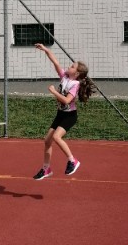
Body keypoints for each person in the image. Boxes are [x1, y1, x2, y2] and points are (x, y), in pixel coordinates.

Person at [33, 43, 94, 180]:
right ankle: (46, 168)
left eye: (72, 66)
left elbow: (67, 101)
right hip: (61, 114)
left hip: (70, 116)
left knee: (56, 137)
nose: (69, 66)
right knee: (47, 141)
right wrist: (45, 49)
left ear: (77, 73)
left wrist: (54, 92)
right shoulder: (64, 77)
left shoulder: (75, 84)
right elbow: (55, 61)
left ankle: (73, 161)